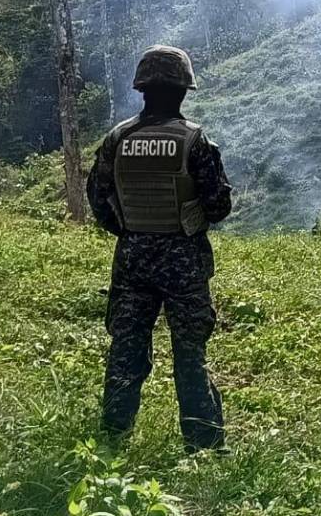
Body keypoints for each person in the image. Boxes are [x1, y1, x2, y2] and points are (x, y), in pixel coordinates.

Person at [86, 45, 233, 453]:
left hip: (132, 260)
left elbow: (98, 199)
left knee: (126, 352)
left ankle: (112, 442)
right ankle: (203, 447)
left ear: (142, 89)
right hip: (184, 263)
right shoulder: (195, 141)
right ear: (183, 90)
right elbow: (219, 206)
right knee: (190, 356)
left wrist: (131, 232)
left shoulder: (117, 139)